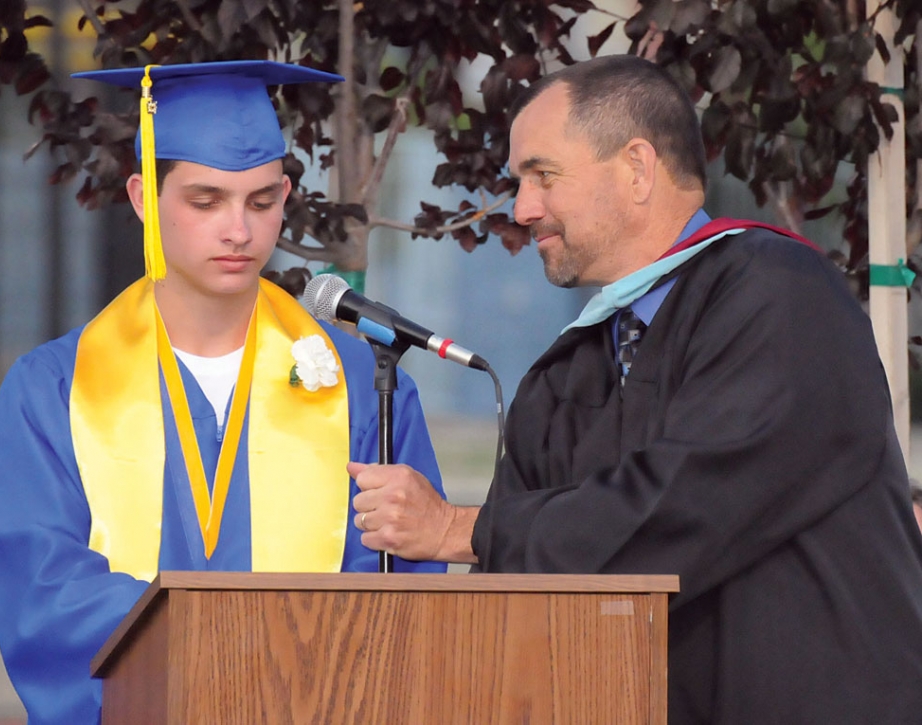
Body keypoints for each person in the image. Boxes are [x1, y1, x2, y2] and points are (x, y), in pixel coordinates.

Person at [348, 55, 922, 722]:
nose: (523, 207)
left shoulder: (780, 295)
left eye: (543, 175)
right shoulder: (565, 375)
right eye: (518, 181)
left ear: (638, 168)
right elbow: (513, 605)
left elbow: (688, 502)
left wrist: (457, 528)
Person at [0, 60, 446, 725]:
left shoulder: (360, 384)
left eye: (260, 201)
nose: (239, 230)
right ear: (142, 199)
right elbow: (45, 591)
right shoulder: (54, 389)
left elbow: (404, 585)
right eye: (206, 200)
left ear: (284, 196)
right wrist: (245, 646)